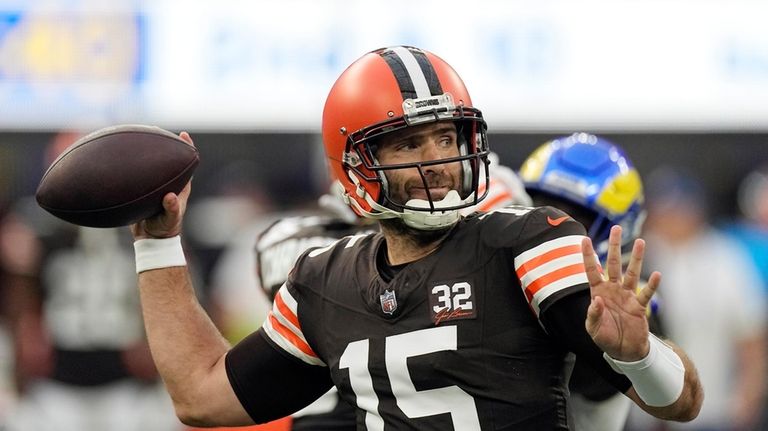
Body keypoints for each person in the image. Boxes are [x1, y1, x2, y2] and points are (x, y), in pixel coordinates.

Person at [129, 46, 702, 429]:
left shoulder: (529, 242)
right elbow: (202, 398)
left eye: (447, 137)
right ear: (354, 165)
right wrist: (158, 243)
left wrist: (642, 354)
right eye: (408, 144)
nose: (438, 162)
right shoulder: (323, 280)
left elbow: (682, 402)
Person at [1, 132, 182, 431]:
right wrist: (26, 339)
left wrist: (152, 341)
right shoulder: (32, 229)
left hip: (127, 384)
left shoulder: (138, 221)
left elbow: (166, 288)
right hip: (55, 384)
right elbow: (21, 306)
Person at [518, 132, 657, 431]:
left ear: (617, 229)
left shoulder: (636, 302)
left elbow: (586, 375)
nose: (551, 229)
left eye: (573, 219)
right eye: (541, 209)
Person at [629, 168, 767, 431]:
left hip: (713, 411)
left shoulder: (724, 257)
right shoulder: (642, 253)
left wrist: (748, 398)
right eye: (662, 210)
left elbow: (750, 334)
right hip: (650, 417)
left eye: (676, 210)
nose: (667, 219)